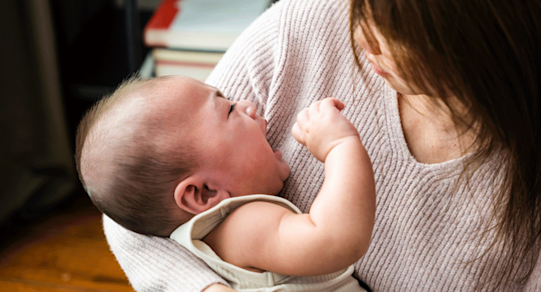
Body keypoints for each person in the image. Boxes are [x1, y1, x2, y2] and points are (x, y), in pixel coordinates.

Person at [103, 0, 541, 291]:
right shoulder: (300, 35)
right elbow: (134, 208)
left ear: (485, 35)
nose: (360, 32)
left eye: (390, 19)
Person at [75, 75, 375, 291]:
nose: (247, 104)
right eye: (229, 110)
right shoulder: (241, 226)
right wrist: (340, 147)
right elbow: (336, 241)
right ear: (204, 193)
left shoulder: (198, 238)